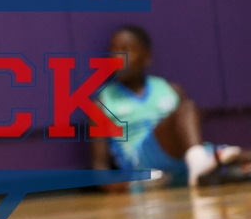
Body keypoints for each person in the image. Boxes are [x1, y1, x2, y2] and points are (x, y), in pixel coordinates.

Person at [92, 24, 248, 191]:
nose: (118, 57)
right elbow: (99, 166)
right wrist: (126, 186)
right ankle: (207, 164)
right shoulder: (102, 102)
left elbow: (189, 137)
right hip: (141, 163)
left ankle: (206, 165)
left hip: (181, 158)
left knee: (241, 157)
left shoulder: (171, 89)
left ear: (147, 57)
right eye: (114, 50)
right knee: (187, 109)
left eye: (127, 50)